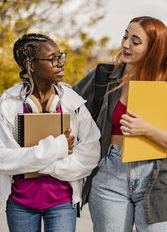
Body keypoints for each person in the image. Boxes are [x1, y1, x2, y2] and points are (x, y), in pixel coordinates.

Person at [73, 16, 167, 232]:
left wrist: (147, 129)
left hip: (157, 177)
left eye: (136, 41)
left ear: (154, 49)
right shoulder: (104, 76)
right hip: (110, 171)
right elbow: (68, 102)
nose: (126, 44)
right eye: (125, 36)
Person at [0, 33, 101, 232]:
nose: (60, 63)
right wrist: (58, 147)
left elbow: (91, 153)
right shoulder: (7, 104)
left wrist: (43, 165)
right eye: (52, 59)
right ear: (31, 64)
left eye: (60, 56)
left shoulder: (73, 102)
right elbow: (4, 159)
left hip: (62, 203)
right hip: (20, 204)